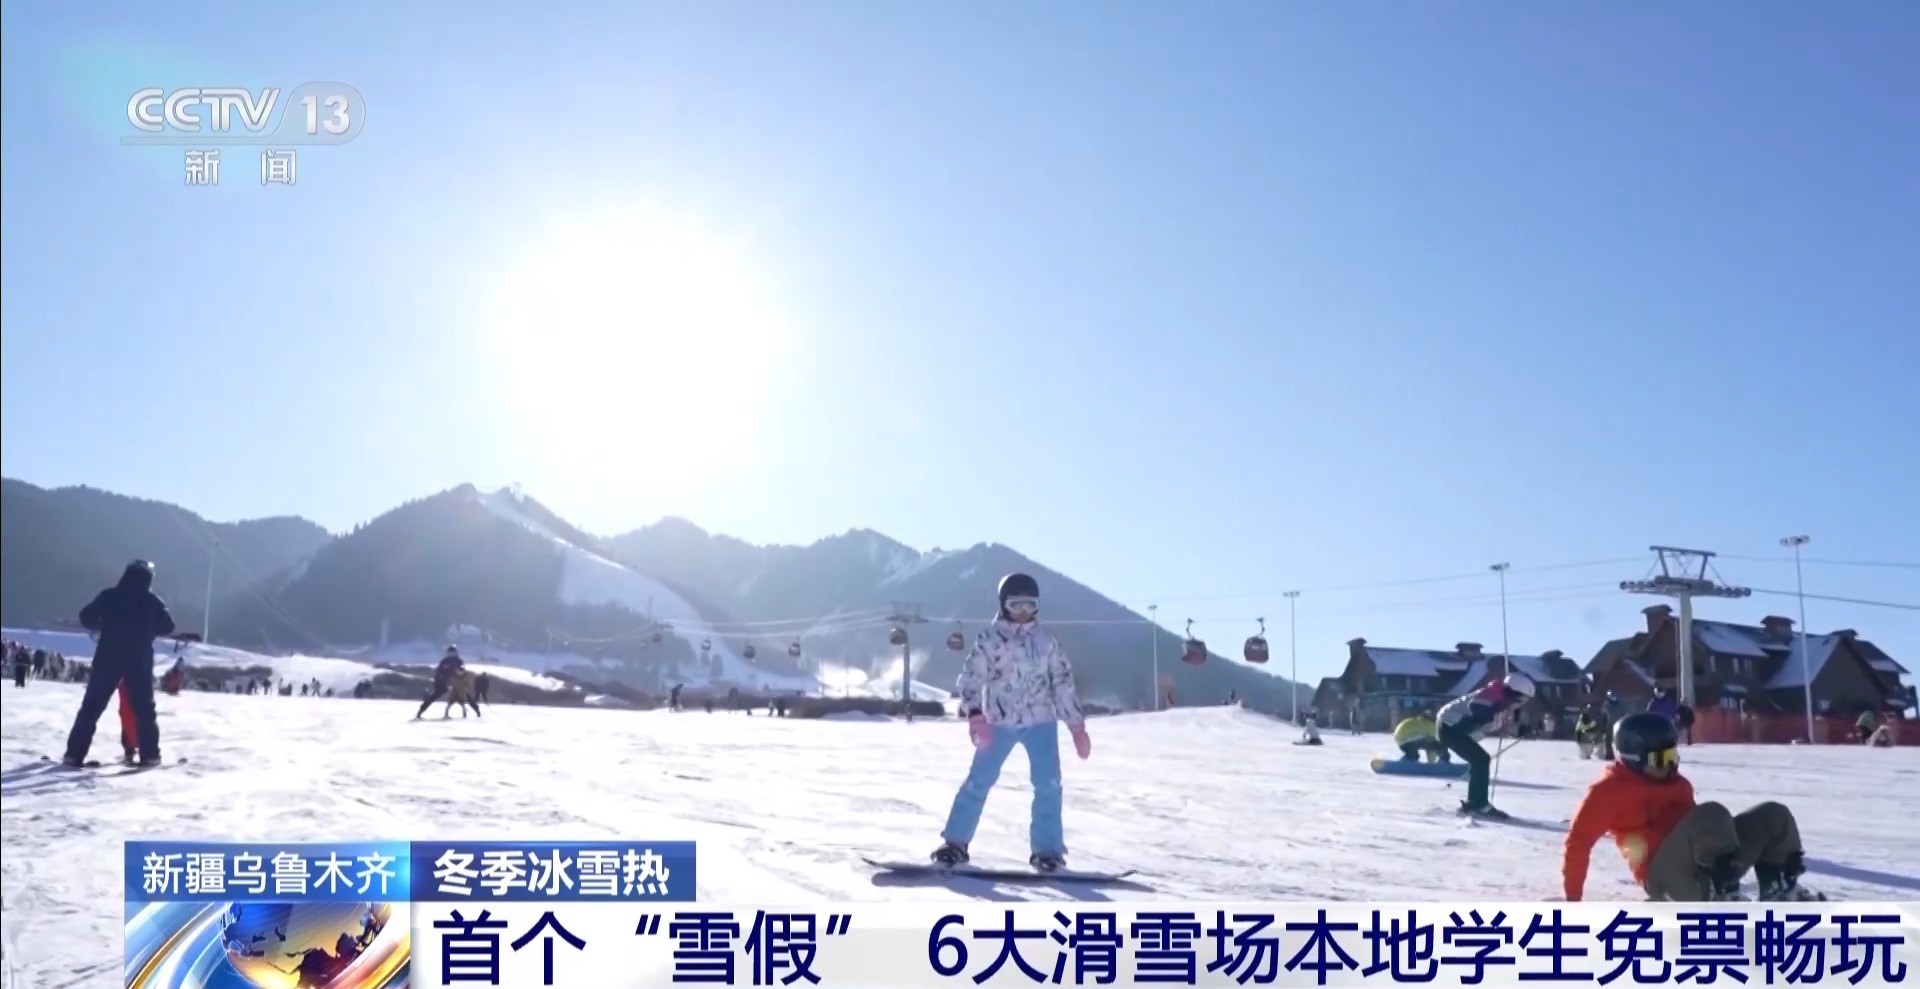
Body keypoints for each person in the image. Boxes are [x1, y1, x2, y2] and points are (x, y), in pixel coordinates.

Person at [1563, 712, 1824, 902]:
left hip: (1698, 870)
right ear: (1632, 759)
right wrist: (1573, 900)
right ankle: (1721, 895)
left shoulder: (1678, 784)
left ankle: (1779, 888)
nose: (1670, 766)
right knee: (1712, 813)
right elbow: (1578, 843)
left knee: (1772, 815)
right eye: (1660, 759)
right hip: (1664, 878)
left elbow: (1701, 833)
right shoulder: (1607, 792)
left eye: (1673, 756)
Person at [931, 572, 1091, 873]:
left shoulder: (1047, 642)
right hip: (998, 722)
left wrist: (1076, 725)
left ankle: (1047, 851)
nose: (1023, 613)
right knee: (978, 780)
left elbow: (1062, 683)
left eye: (1030, 606)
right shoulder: (989, 640)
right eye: (1016, 605)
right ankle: (955, 843)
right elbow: (971, 677)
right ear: (1003, 604)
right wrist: (975, 714)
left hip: (1041, 721)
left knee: (1048, 784)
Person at [64, 561, 174, 767]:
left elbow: (85, 616)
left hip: (108, 657)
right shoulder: (153, 601)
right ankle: (150, 755)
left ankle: (74, 755)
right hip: (139, 660)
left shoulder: (109, 596)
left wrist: (103, 625)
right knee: (144, 709)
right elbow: (168, 626)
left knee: (91, 707)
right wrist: (147, 630)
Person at [1435, 672, 1536, 818]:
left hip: (1455, 729)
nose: (1522, 703)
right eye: (1522, 699)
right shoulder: (1493, 694)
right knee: (1480, 760)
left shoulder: (1503, 703)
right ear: (1514, 693)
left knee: (1480, 760)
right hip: (1450, 726)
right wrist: (1488, 712)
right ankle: (1478, 804)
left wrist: (1521, 731)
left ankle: (1476, 803)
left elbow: (1502, 725)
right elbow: (1477, 706)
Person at [414, 646, 465, 719]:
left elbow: (462, 672)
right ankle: (420, 712)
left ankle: (457, 714)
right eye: (450, 652)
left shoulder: (458, 661)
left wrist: (459, 674)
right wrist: (438, 680)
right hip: (443, 682)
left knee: (457, 697)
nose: (451, 654)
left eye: (452, 652)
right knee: (434, 697)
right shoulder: (445, 661)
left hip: (454, 682)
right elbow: (439, 672)